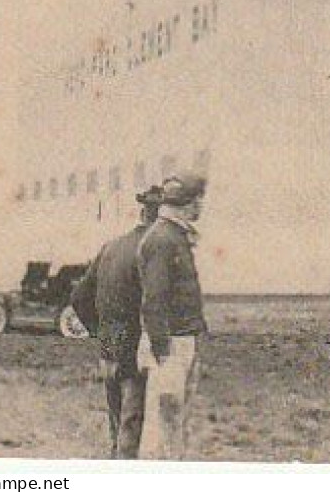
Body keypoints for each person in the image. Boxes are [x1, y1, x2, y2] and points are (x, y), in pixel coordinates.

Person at [69, 186, 164, 458]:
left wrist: (100, 333)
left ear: (142, 211)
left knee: (117, 432)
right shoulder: (153, 252)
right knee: (131, 437)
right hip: (137, 357)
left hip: (109, 352)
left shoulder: (111, 247)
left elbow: (78, 297)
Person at [136, 173, 208, 460]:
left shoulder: (172, 236)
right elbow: (154, 301)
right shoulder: (164, 239)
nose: (201, 205)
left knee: (172, 421)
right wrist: (162, 350)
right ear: (187, 203)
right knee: (164, 422)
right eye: (198, 199)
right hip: (171, 345)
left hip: (179, 341)